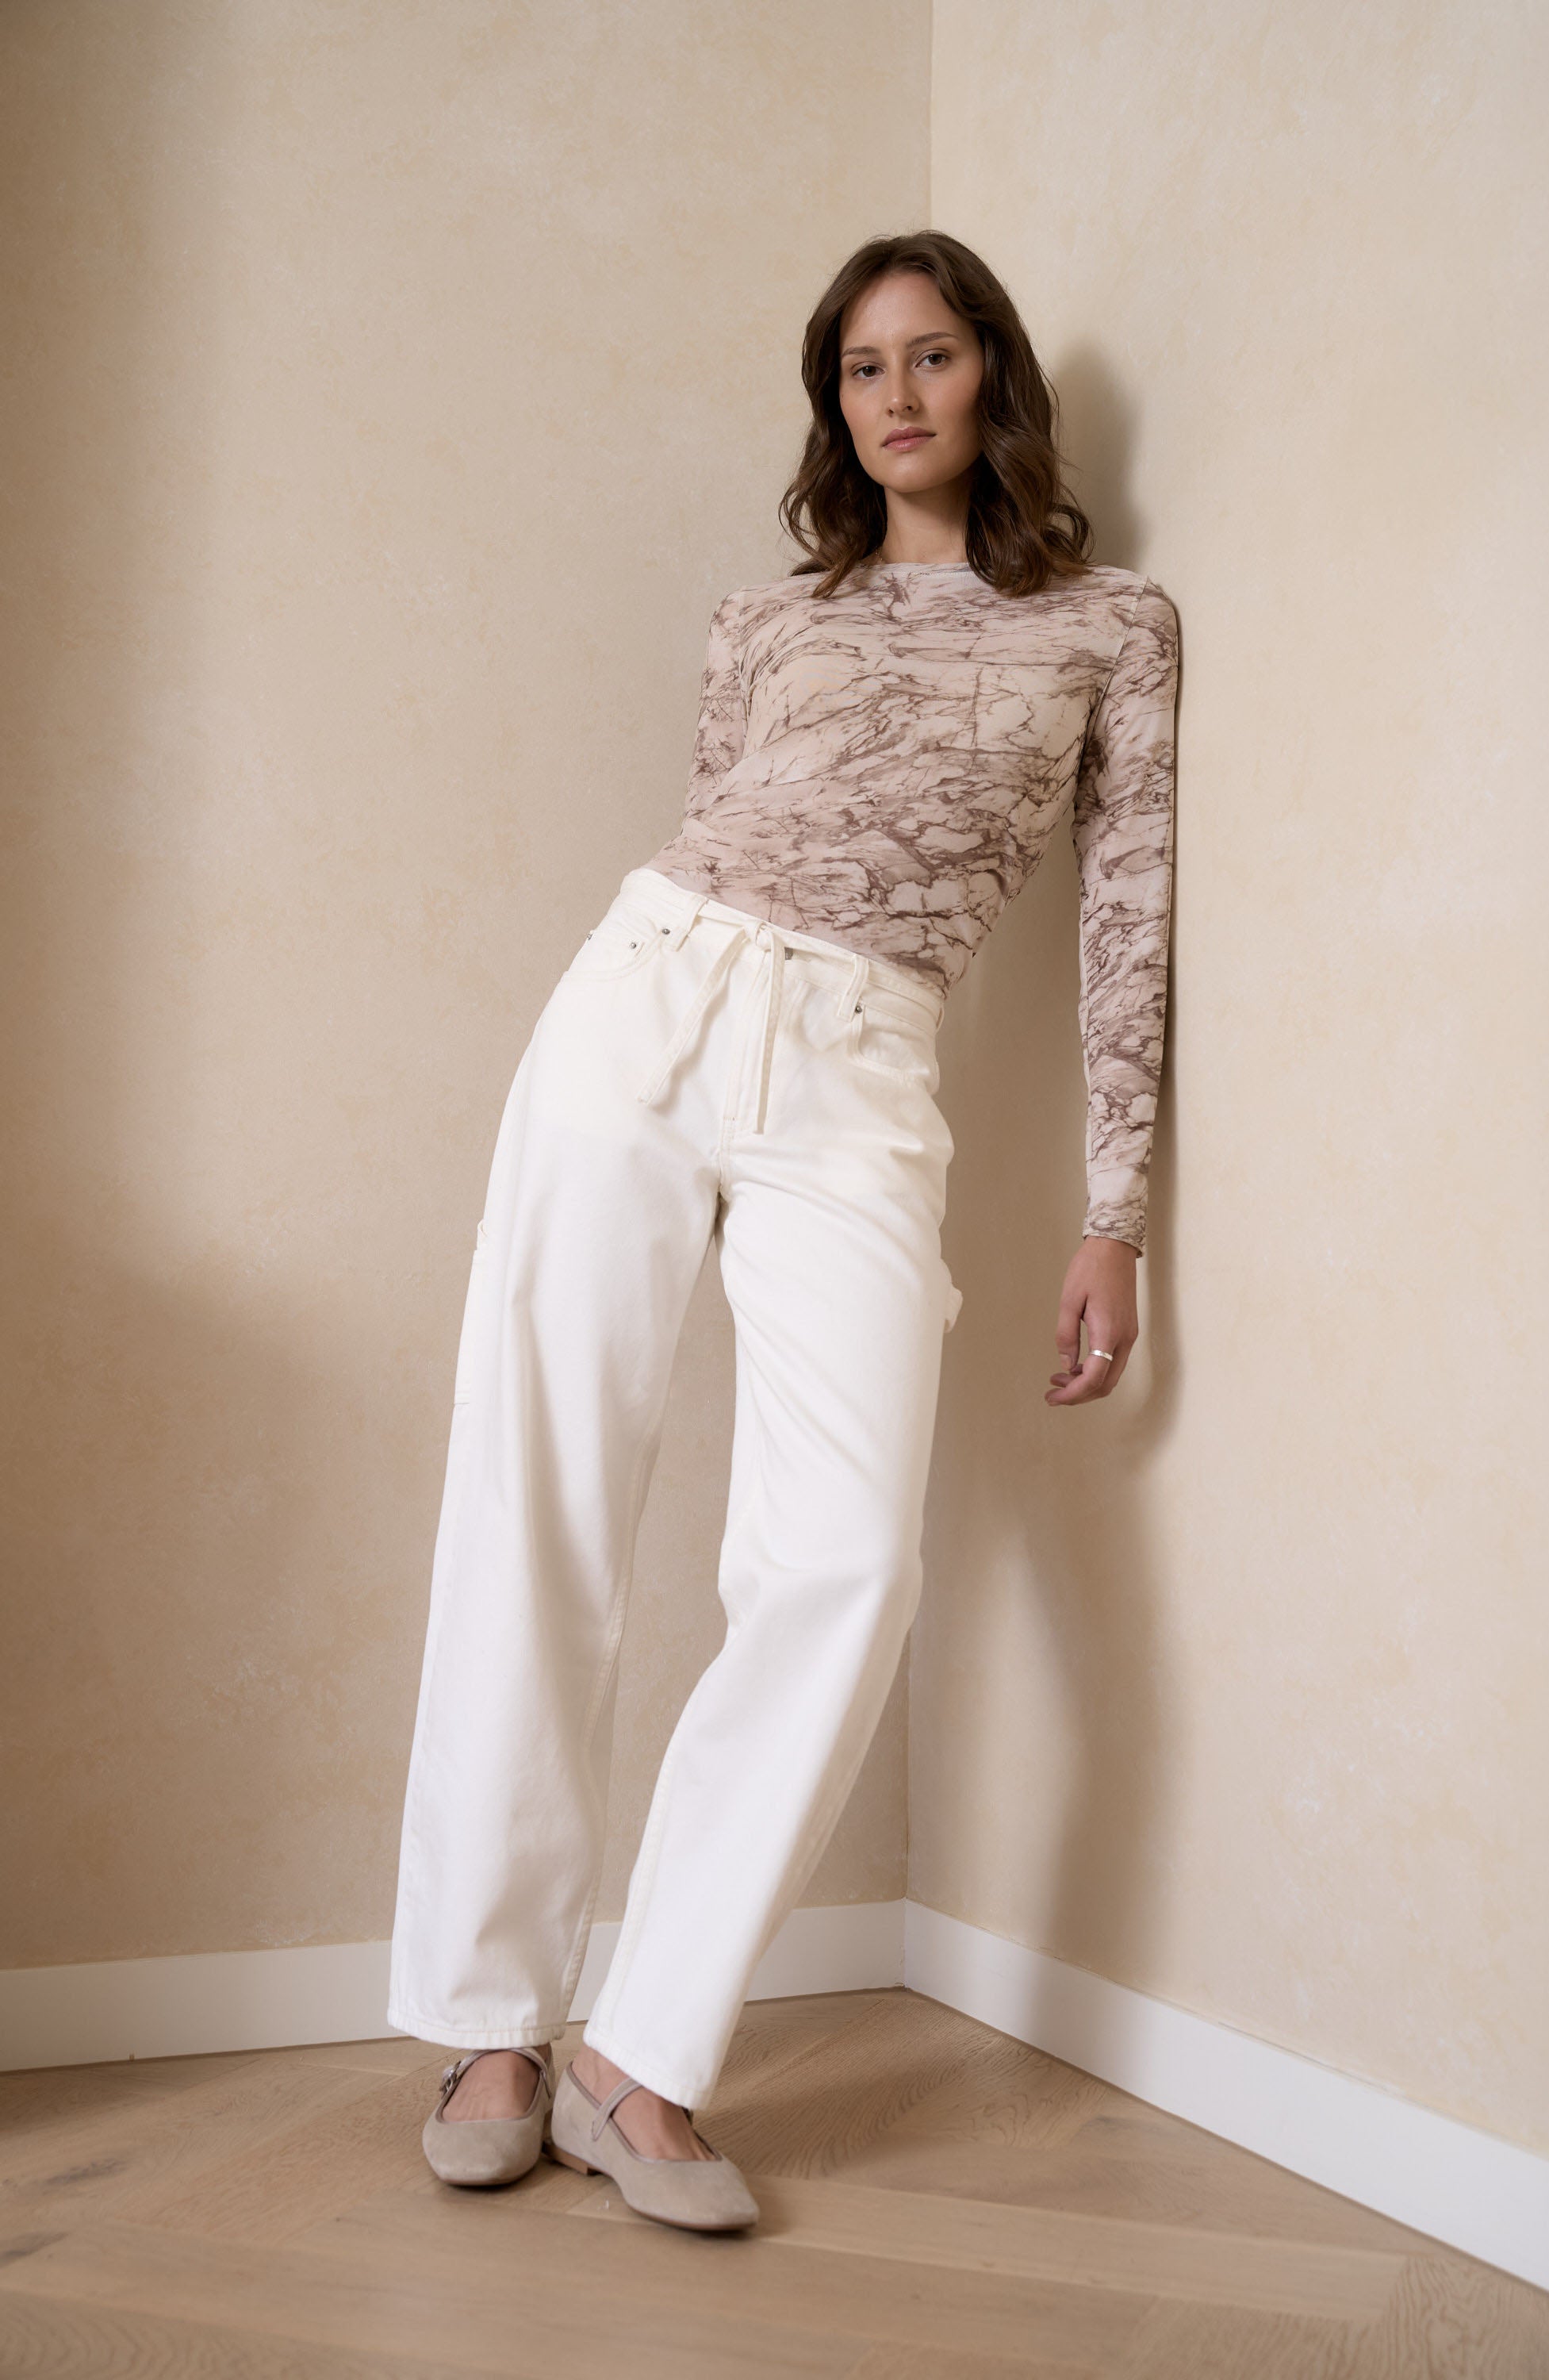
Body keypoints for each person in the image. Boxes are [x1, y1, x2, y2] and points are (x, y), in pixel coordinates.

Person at [388, 228, 1178, 2232]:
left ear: (992, 374)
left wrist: (1115, 1212)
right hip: (647, 1000)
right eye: (856, 370)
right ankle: (492, 2014)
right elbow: (727, 819)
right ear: (834, 406)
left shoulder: (1112, 625)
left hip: (861, 1070)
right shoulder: (772, 616)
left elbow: (1125, 915)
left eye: (929, 356)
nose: (894, 396)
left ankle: (640, 2054)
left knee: (841, 1557)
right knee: (545, 1492)